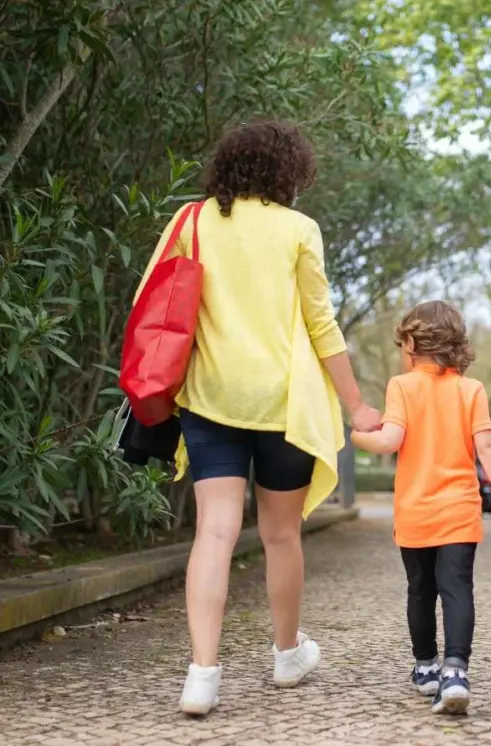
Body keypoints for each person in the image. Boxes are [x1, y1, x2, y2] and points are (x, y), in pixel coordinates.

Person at [134, 121, 382, 716]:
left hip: (211, 397)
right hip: (284, 402)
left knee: (214, 532)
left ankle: (202, 674)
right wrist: (356, 405)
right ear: (288, 173)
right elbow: (321, 324)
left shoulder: (191, 221)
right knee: (280, 535)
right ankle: (286, 653)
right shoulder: (299, 229)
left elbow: (154, 300)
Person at [351, 301, 491, 715]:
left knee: (420, 591)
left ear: (410, 343)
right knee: (457, 589)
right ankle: (456, 671)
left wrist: (357, 436)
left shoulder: (402, 385)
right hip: (460, 511)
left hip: (416, 513)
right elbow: (486, 449)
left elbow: (389, 440)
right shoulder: (471, 389)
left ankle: (426, 666)